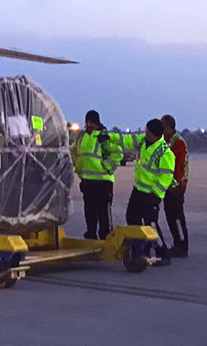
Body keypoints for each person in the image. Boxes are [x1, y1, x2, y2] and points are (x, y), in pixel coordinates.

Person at [122, 117, 176, 264]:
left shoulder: (165, 152)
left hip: (150, 194)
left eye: (147, 132)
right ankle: (139, 250)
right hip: (138, 190)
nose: (144, 133)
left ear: (155, 134)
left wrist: (156, 196)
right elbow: (127, 140)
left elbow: (166, 177)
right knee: (132, 218)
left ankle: (162, 253)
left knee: (150, 224)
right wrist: (110, 137)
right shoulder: (144, 142)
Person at [71, 109, 123, 239]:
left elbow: (117, 154)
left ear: (97, 123)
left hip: (103, 181)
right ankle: (91, 233)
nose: (88, 124)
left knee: (103, 211)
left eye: (91, 122)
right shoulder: (81, 136)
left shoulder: (104, 137)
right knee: (89, 210)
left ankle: (106, 235)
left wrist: (107, 168)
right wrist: (77, 165)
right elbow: (73, 151)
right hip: (87, 180)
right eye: (87, 122)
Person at [161, 114, 189, 257]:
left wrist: (176, 185)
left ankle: (181, 245)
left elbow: (179, 166)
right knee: (170, 215)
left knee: (177, 216)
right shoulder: (165, 141)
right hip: (168, 185)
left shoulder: (178, 143)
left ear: (168, 127)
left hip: (176, 186)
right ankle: (177, 242)